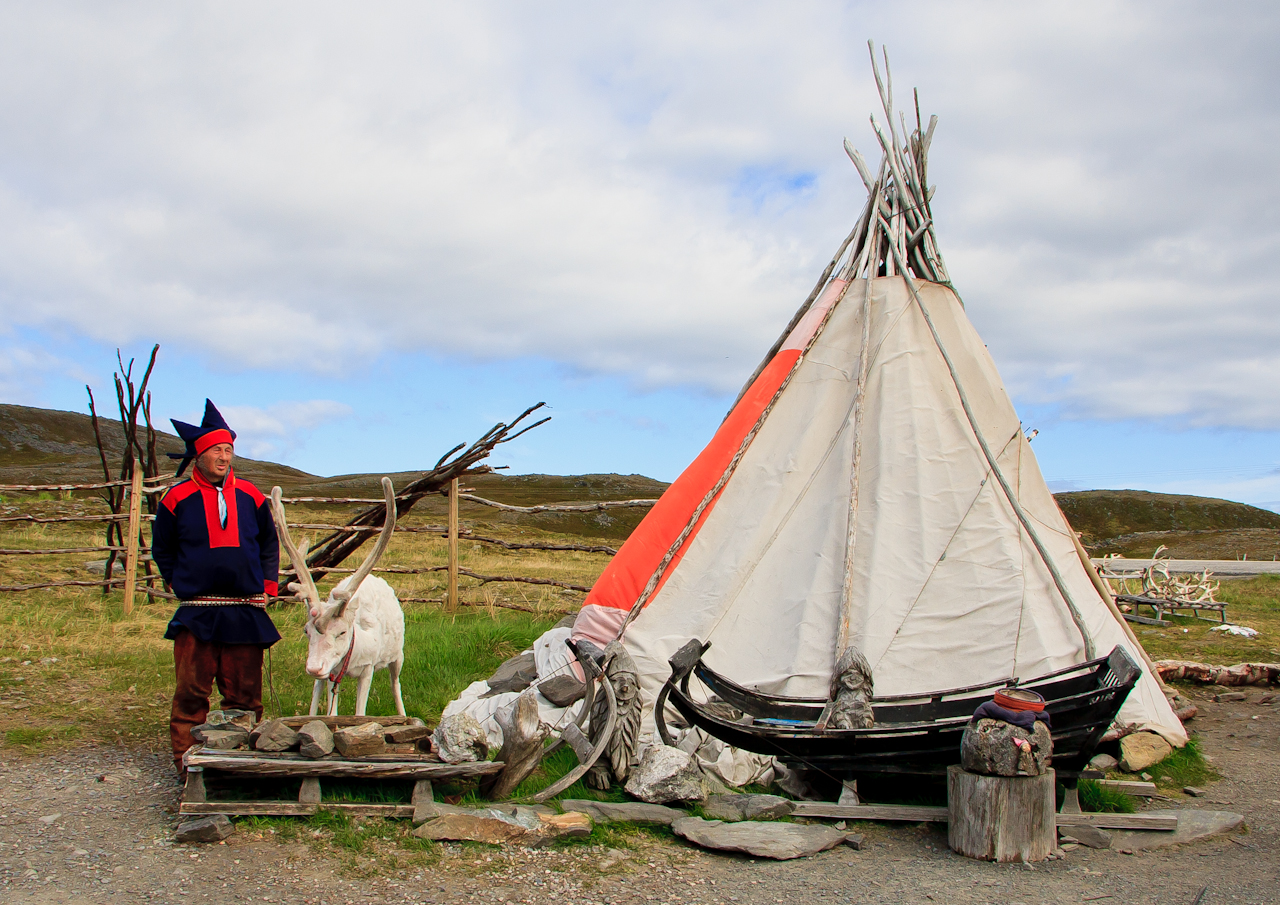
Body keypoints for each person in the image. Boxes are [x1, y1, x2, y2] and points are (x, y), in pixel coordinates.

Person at [152, 399, 282, 774]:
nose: (224, 457)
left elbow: (268, 544)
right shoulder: (176, 498)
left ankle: (241, 764)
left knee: (244, 695)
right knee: (192, 691)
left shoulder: (252, 496)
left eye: (228, 450)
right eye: (216, 450)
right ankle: (188, 764)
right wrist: (176, 580)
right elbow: (162, 547)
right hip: (198, 610)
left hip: (245, 608)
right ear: (198, 455)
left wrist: (268, 585)